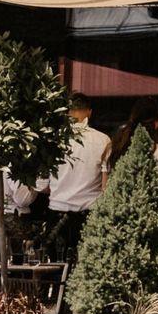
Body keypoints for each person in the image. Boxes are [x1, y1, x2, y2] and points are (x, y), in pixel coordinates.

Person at [39, 95, 110, 262]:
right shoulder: (103, 140)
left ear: (67, 112)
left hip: (57, 212)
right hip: (89, 214)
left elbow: (41, 185)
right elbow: (105, 186)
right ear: (89, 112)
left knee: (56, 267)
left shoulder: (53, 139)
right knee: (87, 266)